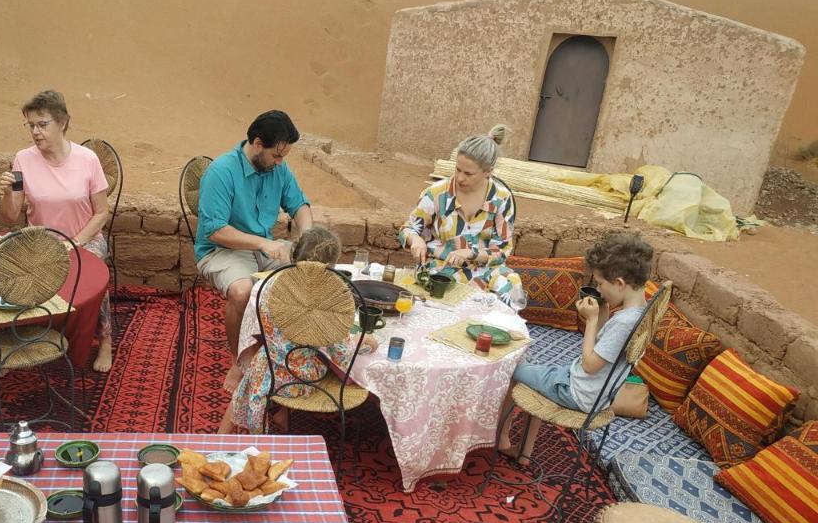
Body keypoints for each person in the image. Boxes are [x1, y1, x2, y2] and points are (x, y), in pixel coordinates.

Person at [497, 232, 653, 465]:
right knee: (539, 374)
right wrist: (602, 314)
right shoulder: (641, 313)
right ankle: (525, 455)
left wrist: (590, 321)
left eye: (600, 284)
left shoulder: (624, 323)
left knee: (511, 368)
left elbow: (590, 365)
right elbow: (606, 347)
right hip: (595, 394)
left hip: (577, 392)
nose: (598, 290)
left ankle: (502, 441)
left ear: (619, 283)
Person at [0, 90, 114, 372]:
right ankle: (24, 337)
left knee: (89, 270)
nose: (35, 132)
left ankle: (105, 339)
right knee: (5, 267)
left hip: (84, 238)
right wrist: (5, 194)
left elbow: (101, 213)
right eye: (30, 126)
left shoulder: (87, 159)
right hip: (38, 242)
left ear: (62, 122)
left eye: (42, 124)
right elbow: (12, 215)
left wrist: (74, 243)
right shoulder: (23, 159)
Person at [218, 227, 377, 434]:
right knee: (322, 355)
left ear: (294, 255)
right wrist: (363, 341)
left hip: (270, 366)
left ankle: (222, 437)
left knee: (252, 375)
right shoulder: (329, 298)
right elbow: (341, 353)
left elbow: (254, 330)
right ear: (331, 266)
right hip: (304, 377)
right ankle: (282, 414)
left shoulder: (269, 284)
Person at [195, 110, 314, 355]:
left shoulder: (278, 168)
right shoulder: (221, 171)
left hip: (263, 247)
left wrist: (308, 233)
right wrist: (261, 243)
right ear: (258, 143)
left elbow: (299, 205)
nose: (280, 162)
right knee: (241, 292)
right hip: (222, 250)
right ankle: (240, 360)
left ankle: (289, 352)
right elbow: (215, 231)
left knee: (312, 273)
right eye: (276, 155)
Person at [399, 125, 525, 309]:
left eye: (468, 173)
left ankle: (496, 331)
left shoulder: (502, 199)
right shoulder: (437, 193)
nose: (459, 178)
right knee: (446, 290)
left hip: (484, 268)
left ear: (488, 171)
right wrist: (415, 239)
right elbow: (407, 229)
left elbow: (502, 251)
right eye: (457, 169)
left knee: (512, 285)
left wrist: (471, 253)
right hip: (441, 267)